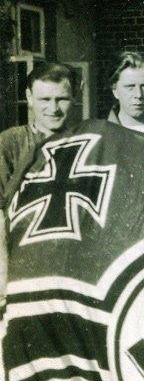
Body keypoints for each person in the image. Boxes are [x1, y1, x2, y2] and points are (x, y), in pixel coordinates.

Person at [0, 62, 78, 305]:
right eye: (44, 99)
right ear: (29, 97)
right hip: (22, 270)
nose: (53, 109)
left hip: (71, 270)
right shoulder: (10, 143)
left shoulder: (86, 142)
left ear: (74, 97)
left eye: (61, 99)